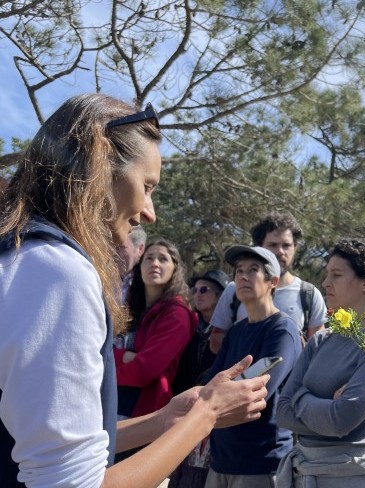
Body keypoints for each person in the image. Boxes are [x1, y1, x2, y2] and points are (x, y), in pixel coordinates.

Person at [0, 93, 268, 487]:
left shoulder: (22, 255)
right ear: (99, 160)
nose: (149, 211)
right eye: (147, 185)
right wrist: (204, 416)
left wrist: (164, 420)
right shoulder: (58, 273)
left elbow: (37, 438)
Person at [276, 238, 365, 488]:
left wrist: (300, 398)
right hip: (305, 475)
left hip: (354, 478)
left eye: (336, 274)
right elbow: (282, 412)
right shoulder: (320, 340)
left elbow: (340, 420)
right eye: (326, 274)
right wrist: (325, 405)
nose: (325, 283)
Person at [205, 245, 303, 488]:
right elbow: (209, 383)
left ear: (273, 281)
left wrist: (216, 394)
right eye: (239, 271)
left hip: (260, 463)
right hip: (220, 459)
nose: (243, 276)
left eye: (253, 270)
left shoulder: (283, 330)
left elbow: (254, 390)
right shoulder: (236, 331)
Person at [210, 211, 327, 353]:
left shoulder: (309, 294)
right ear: (259, 247)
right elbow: (215, 341)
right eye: (273, 245)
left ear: (295, 248)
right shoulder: (236, 289)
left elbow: (317, 348)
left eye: (286, 245)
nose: (280, 252)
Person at [115, 238, 197, 420]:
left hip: (146, 413)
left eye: (163, 259)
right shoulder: (132, 310)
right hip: (114, 405)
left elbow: (143, 371)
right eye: (149, 258)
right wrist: (122, 356)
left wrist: (103, 372)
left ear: (175, 268)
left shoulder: (177, 314)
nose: (155, 263)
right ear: (140, 266)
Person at [169, 269, 230, 488]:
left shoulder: (230, 333)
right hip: (182, 409)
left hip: (210, 417)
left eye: (205, 290)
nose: (198, 294)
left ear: (221, 296)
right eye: (195, 290)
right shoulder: (190, 326)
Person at [117, 224, 147, 302]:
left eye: (121, 247)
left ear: (140, 249)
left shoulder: (149, 283)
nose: (114, 252)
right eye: (112, 246)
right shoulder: (100, 274)